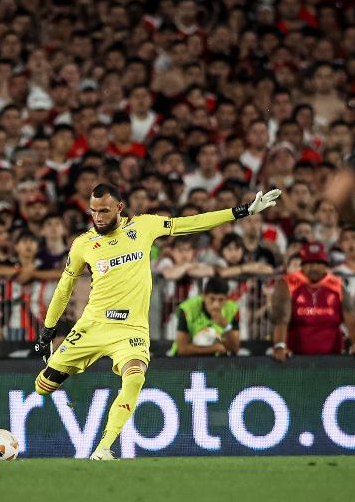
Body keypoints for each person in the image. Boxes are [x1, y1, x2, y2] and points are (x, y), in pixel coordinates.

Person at [34, 184, 281, 460]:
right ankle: (65, 374)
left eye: (104, 210)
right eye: (93, 211)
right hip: (92, 326)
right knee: (42, 387)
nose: (98, 217)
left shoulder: (144, 227)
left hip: (131, 329)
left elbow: (192, 223)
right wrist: (47, 332)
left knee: (135, 377)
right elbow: (63, 289)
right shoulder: (82, 245)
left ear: (119, 208)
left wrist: (242, 211)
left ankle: (103, 448)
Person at [271, 242, 355, 362]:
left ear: (325, 265)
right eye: (309, 263)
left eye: (318, 263)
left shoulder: (337, 285)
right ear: (302, 265)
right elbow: (281, 319)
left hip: (332, 358)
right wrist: (280, 346)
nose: (314, 268)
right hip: (296, 359)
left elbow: (352, 320)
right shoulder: (287, 284)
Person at [169, 276, 239, 356]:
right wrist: (215, 348)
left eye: (221, 300)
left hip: (216, 362)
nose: (216, 305)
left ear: (226, 299)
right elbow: (182, 350)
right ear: (204, 296)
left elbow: (235, 349)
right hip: (186, 361)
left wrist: (226, 325)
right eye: (212, 299)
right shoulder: (187, 309)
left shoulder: (232, 309)